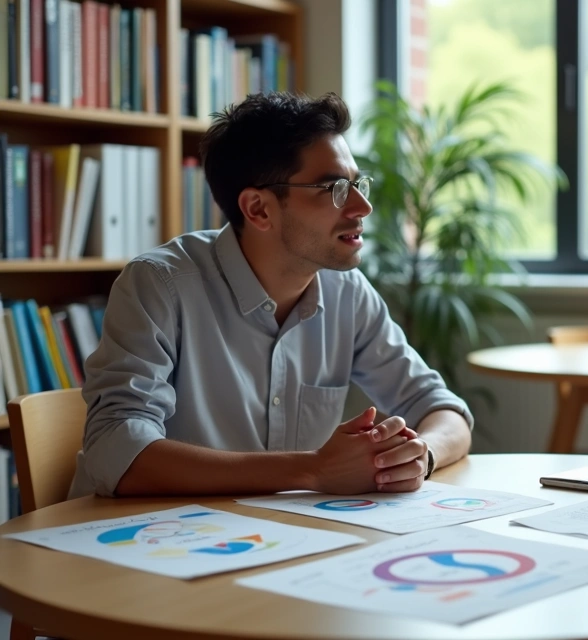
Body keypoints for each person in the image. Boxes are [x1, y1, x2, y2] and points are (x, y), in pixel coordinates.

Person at [69, 92, 473, 499]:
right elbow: (117, 449)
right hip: (150, 541)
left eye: (356, 184)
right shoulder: (160, 285)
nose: (362, 206)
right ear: (258, 209)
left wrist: (422, 456)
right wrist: (312, 471)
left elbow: (440, 407)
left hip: (282, 541)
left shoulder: (346, 292)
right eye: (334, 188)